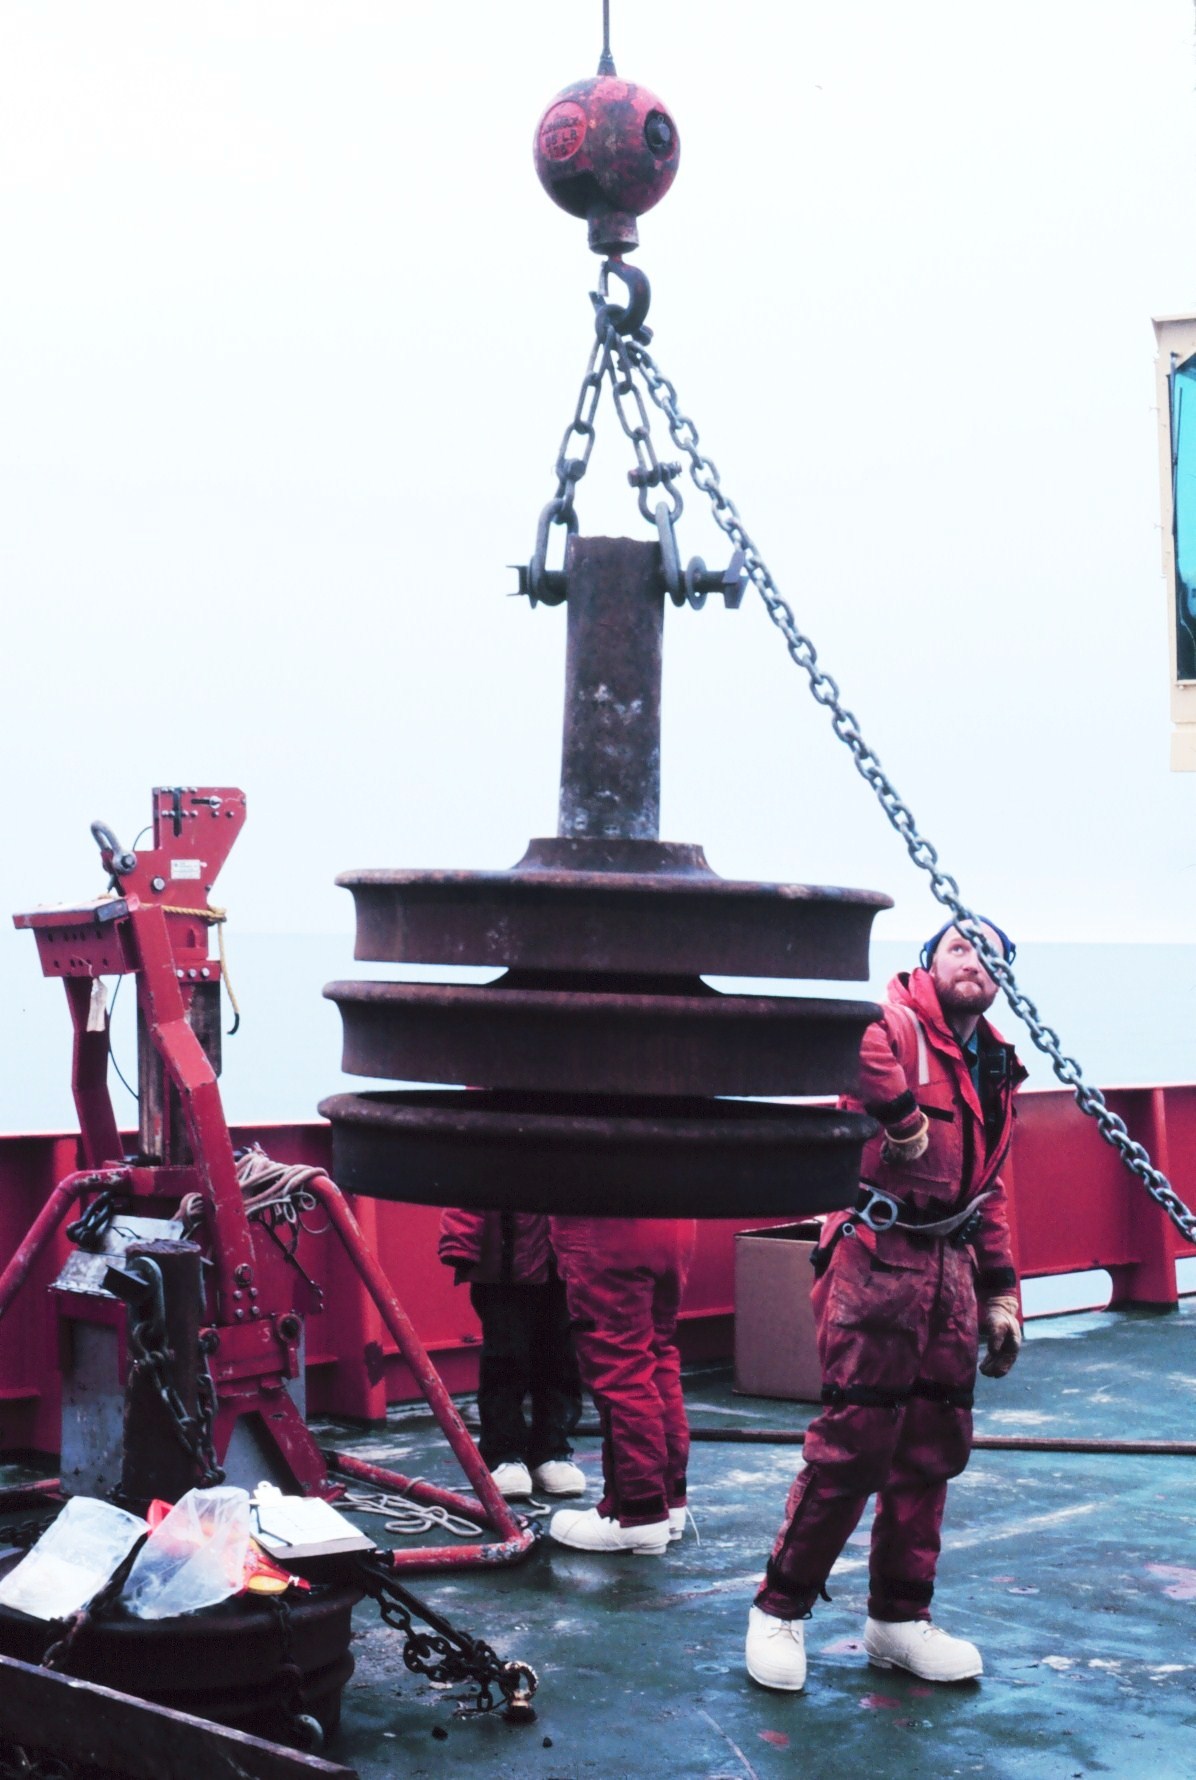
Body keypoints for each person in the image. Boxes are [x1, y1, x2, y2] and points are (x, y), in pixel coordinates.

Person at [746, 920, 1027, 1691]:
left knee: (932, 1449)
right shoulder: (897, 1022)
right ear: (926, 965)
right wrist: (902, 1116)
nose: (975, 959)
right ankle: (779, 1609)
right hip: (877, 1258)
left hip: (950, 1269)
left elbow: (990, 1187)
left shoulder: (997, 1064)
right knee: (854, 1444)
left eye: (991, 953)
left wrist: (1002, 1290)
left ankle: (898, 1619)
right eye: (959, 946)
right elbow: (851, 1039)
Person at [546, 1215, 696, 1555]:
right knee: (657, 1354)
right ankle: (668, 1501)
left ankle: (635, 1513)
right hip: (675, 1219)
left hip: (607, 1223)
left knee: (619, 1367)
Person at [438, 1208, 586, 1499]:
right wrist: (460, 1241)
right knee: (506, 1361)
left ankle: (552, 1451)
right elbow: (469, 1181)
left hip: (563, 1263)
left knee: (561, 1360)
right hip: (502, 1265)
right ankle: (503, 1455)